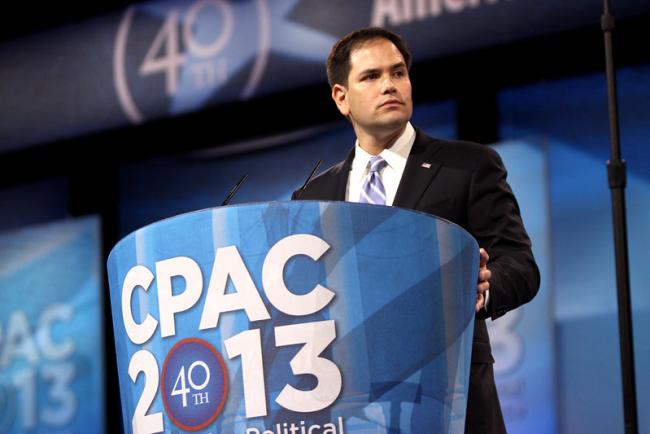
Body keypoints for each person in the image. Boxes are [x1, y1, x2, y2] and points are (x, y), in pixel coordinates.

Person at [291, 27, 540, 434]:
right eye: (371, 77)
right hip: (348, 403)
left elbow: (521, 266)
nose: (390, 85)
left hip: (449, 394)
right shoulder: (311, 197)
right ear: (341, 97)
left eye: (399, 73)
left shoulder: (468, 166)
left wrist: (482, 287)